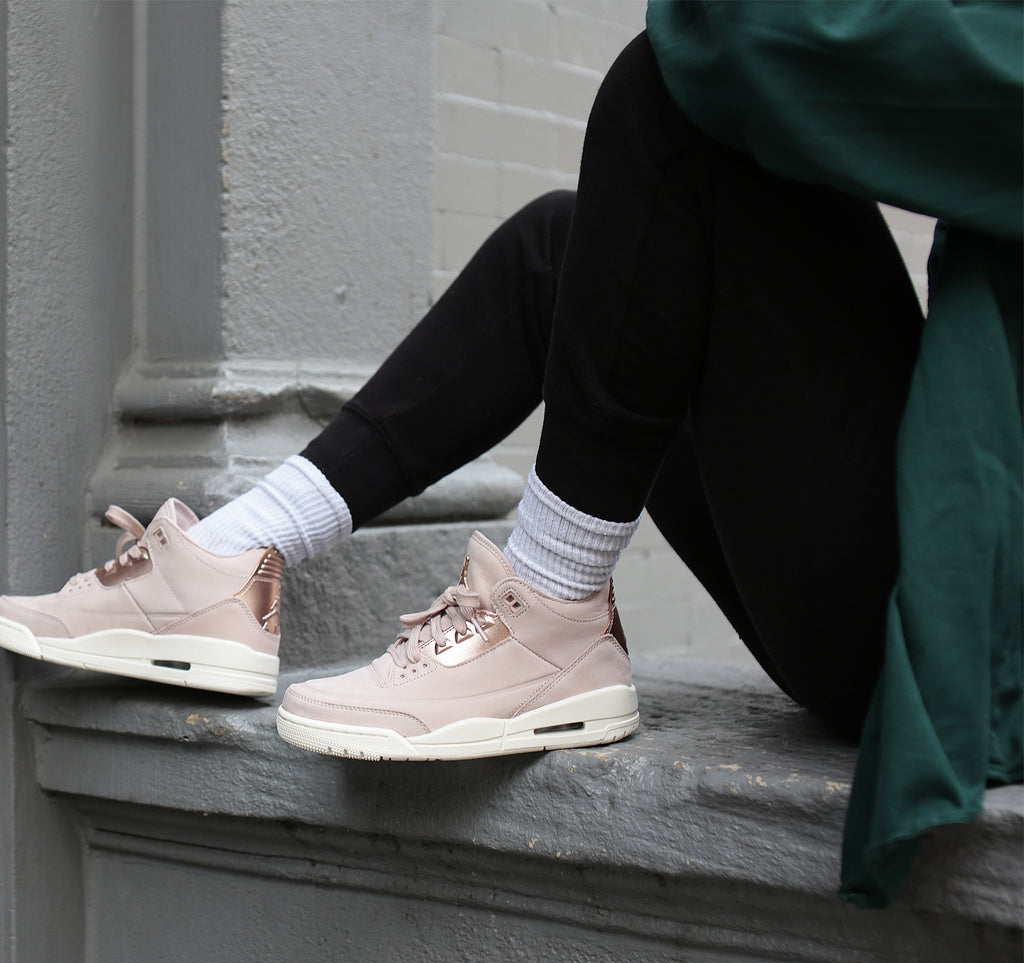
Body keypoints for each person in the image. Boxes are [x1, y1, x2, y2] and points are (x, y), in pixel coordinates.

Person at [0, 2, 1019, 909]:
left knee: (674, 94)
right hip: (933, 559)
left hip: (970, 635)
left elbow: (755, 37)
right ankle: (223, 564)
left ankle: (550, 615)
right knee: (566, 250)